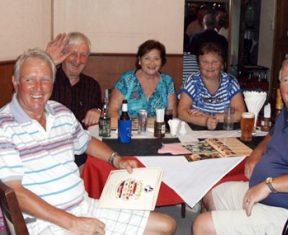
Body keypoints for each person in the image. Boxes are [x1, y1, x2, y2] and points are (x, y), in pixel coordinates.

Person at [0, 48, 176, 235]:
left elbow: (86, 142)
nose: (38, 87)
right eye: (29, 79)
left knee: (165, 226)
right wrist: (73, 223)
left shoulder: (61, 112)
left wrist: (116, 159)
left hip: (84, 206)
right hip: (43, 221)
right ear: (15, 82)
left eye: (45, 79)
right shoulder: (4, 126)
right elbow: (15, 192)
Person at [192, 54, 288, 235]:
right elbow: (271, 136)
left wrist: (269, 185)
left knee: (203, 224)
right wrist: (256, 154)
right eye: (286, 80)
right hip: (261, 191)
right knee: (209, 195)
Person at [47, 32, 102, 167]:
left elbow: (101, 112)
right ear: (62, 54)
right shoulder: (46, 81)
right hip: (51, 151)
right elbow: (21, 97)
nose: (77, 60)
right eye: (72, 53)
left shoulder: (92, 85)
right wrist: (47, 62)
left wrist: (98, 111)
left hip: (83, 153)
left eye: (83, 55)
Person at [178, 42, 245, 130]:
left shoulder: (231, 82)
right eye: (205, 62)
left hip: (225, 131)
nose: (210, 66)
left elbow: (240, 114)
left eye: (215, 62)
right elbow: (181, 113)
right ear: (199, 64)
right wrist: (205, 121)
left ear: (222, 64)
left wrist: (210, 117)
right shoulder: (193, 81)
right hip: (197, 130)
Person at [108, 39, 177, 118]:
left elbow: (172, 113)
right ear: (140, 60)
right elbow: (112, 110)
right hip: (128, 128)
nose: (152, 63)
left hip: (158, 129)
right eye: (147, 58)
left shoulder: (167, 81)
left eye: (156, 59)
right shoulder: (127, 79)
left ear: (162, 61)